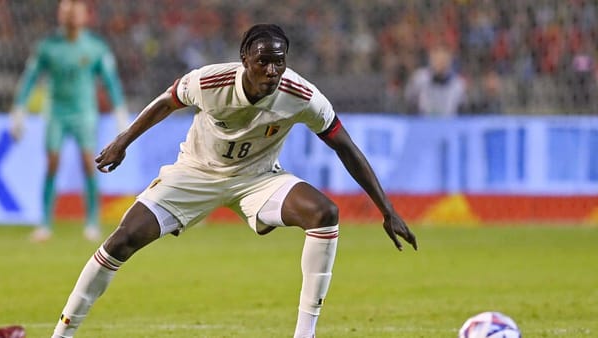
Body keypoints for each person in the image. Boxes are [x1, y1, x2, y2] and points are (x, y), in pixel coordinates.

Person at [51, 24, 417, 338]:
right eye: (263, 61)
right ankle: (62, 332)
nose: (272, 70)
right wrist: (122, 141)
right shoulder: (211, 81)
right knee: (123, 239)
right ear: (244, 58)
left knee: (325, 213)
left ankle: (305, 334)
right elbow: (166, 101)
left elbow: (346, 147)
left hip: (257, 180)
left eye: (279, 61)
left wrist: (387, 210)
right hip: (195, 173)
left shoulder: (302, 95)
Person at [9, 0, 129, 242]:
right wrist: (19, 109)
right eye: (66, 11)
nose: (70, 16)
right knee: (53, 163)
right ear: (60, 15)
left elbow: (110, 81)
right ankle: (45, 223)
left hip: (85, 113)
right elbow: (30, 78)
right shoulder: (47, 47)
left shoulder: (95, 47)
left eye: (75, 12)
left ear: (85, 16)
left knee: (89, 162)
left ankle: (92, 222)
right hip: (56, 112)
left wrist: (119, 110)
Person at [404, 44, 466, 116]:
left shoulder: (458, 83)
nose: (440, 63)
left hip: (449, 124)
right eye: (437, 59)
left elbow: (461, 110)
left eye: (444, 59)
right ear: (431, 60)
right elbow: (410, 102)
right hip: (423, 123)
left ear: (450, 61)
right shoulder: (419, 78)